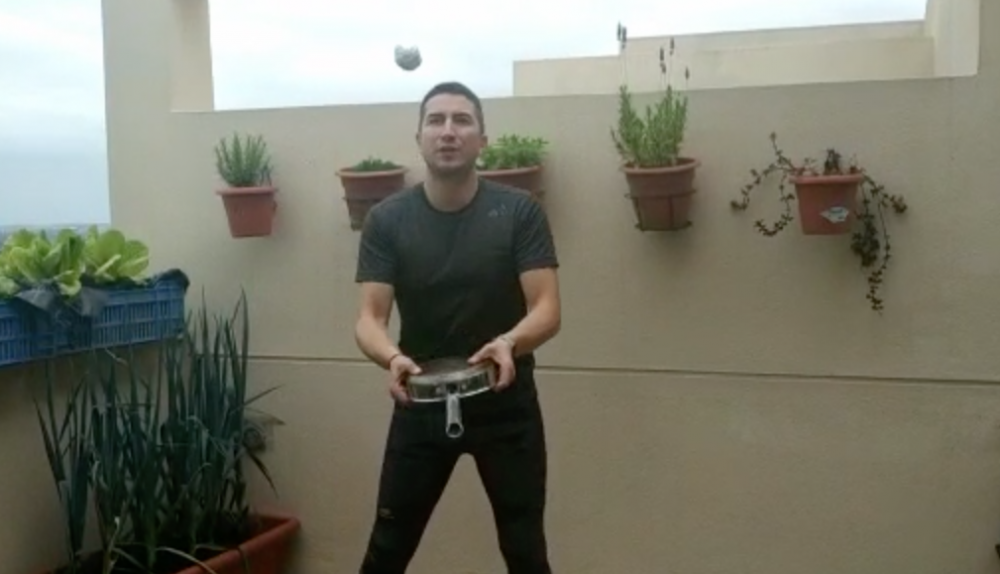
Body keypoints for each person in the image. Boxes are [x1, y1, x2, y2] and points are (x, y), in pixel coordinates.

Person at [353, 80, 562, 574]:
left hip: (504, 401)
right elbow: (369, 319)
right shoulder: (387, 220)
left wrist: (509, 342)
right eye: (436, 120)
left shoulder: (519, 212)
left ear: (482, 141)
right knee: (386, 550)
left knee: (525, 551)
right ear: (420, 138)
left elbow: (547, 308)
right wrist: (392, 358)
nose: (448, 131)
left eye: (462, 120)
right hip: (419, 402)